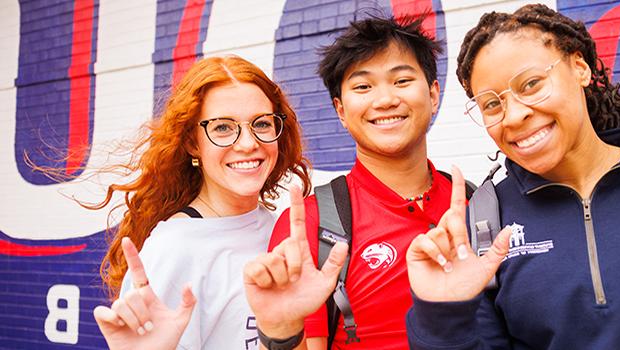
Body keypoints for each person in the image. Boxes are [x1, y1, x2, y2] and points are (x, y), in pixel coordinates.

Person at [405, 4, 620, 349]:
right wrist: (441, 316)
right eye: (492, 104)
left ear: (579, 68)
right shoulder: (483, 226)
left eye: (531, 84)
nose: (513, 116)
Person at [244, 14, 451, 350]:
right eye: (363, 87)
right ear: (340, 110)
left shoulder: (478, 204)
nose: (384, 100)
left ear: (433, 94)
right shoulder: (311, 224)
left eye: (401, 81)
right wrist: (281, 331)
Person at [89, 55, 321, 349]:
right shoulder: (174, 248)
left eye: (261, 124)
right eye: (222, 128)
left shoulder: (281, 230)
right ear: (191, 142)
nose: (248, 143)